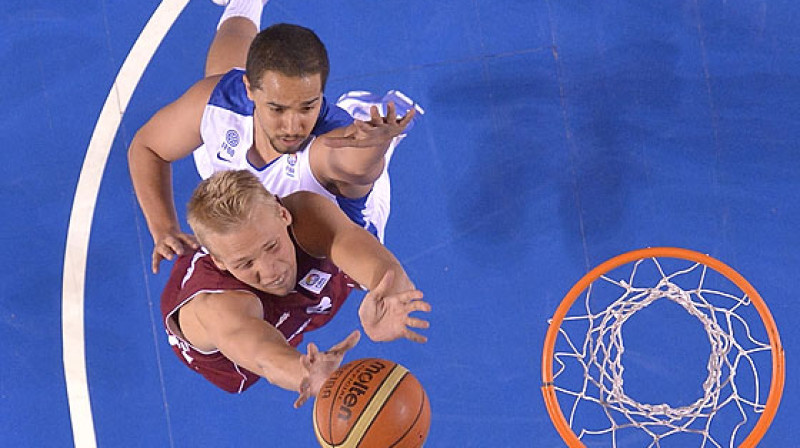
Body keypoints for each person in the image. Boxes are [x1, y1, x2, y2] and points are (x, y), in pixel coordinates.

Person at [129, 0, 424, 274]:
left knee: (367, 150)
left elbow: (355, 167)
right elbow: (148, 147)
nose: (293, 126)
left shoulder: (326, 147)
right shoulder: (221, 101)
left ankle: (372, 125)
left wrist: (375, 147)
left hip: (327, 235)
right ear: (249, 90)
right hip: (237, 180)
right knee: (219, 78)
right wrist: (163, 227)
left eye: (308, 106)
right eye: (278, 108)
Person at [161, 170, 431, 407]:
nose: (271, 271)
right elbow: (264, 356)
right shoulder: (217, 307)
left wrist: (391, 295)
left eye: (271, 246)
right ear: (218, 261)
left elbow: (377, 265)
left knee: (356, 182)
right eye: (245, 263)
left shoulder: (306, 214)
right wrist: (307, 375)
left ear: (283, 213)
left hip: (302, 292)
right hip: (226, 344)